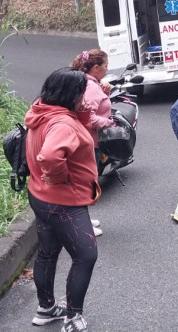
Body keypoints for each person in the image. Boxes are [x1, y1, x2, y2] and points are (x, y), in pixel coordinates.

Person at [25, 68, 100, 332]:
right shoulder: (63, 124)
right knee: (86, 256)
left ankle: (46, 309)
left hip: (40, 196)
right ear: (71, 94)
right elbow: (51, 156)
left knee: (47, 253)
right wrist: (59, 178)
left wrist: (82, 111)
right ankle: (73, 317)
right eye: (81, 92)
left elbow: (77, 133)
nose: (85, 95)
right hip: (64, 202)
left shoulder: (44, 111)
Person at [71, 49, 114, 237]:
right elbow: (88, 116)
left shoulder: (89, 83)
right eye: (105, 66)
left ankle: (84, 219)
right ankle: (81, 225)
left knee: (87, 184)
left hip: (88, 141)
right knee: (86, 185)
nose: (107, 69)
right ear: (95, 68)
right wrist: (109, 123)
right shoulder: (90, 87)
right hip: (88, 143)